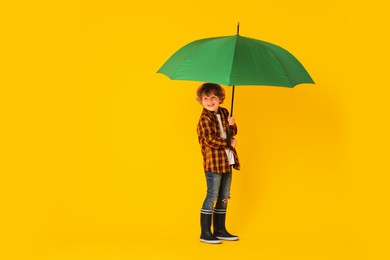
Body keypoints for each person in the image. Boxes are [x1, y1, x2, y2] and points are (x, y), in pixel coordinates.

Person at [196, 83, 240, 244]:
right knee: (212, 195)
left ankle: (220, 230)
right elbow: (210, 141)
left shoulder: (224, 112)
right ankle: (205, 233)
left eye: (213, 97)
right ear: (200, 101)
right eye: (206, 98)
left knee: (223, 196)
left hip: (227, 161)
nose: (210, 101)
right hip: (214, 164)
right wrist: (229, 143)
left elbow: (232, 132)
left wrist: (231, 124)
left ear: (220, 99)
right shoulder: (204, 119)